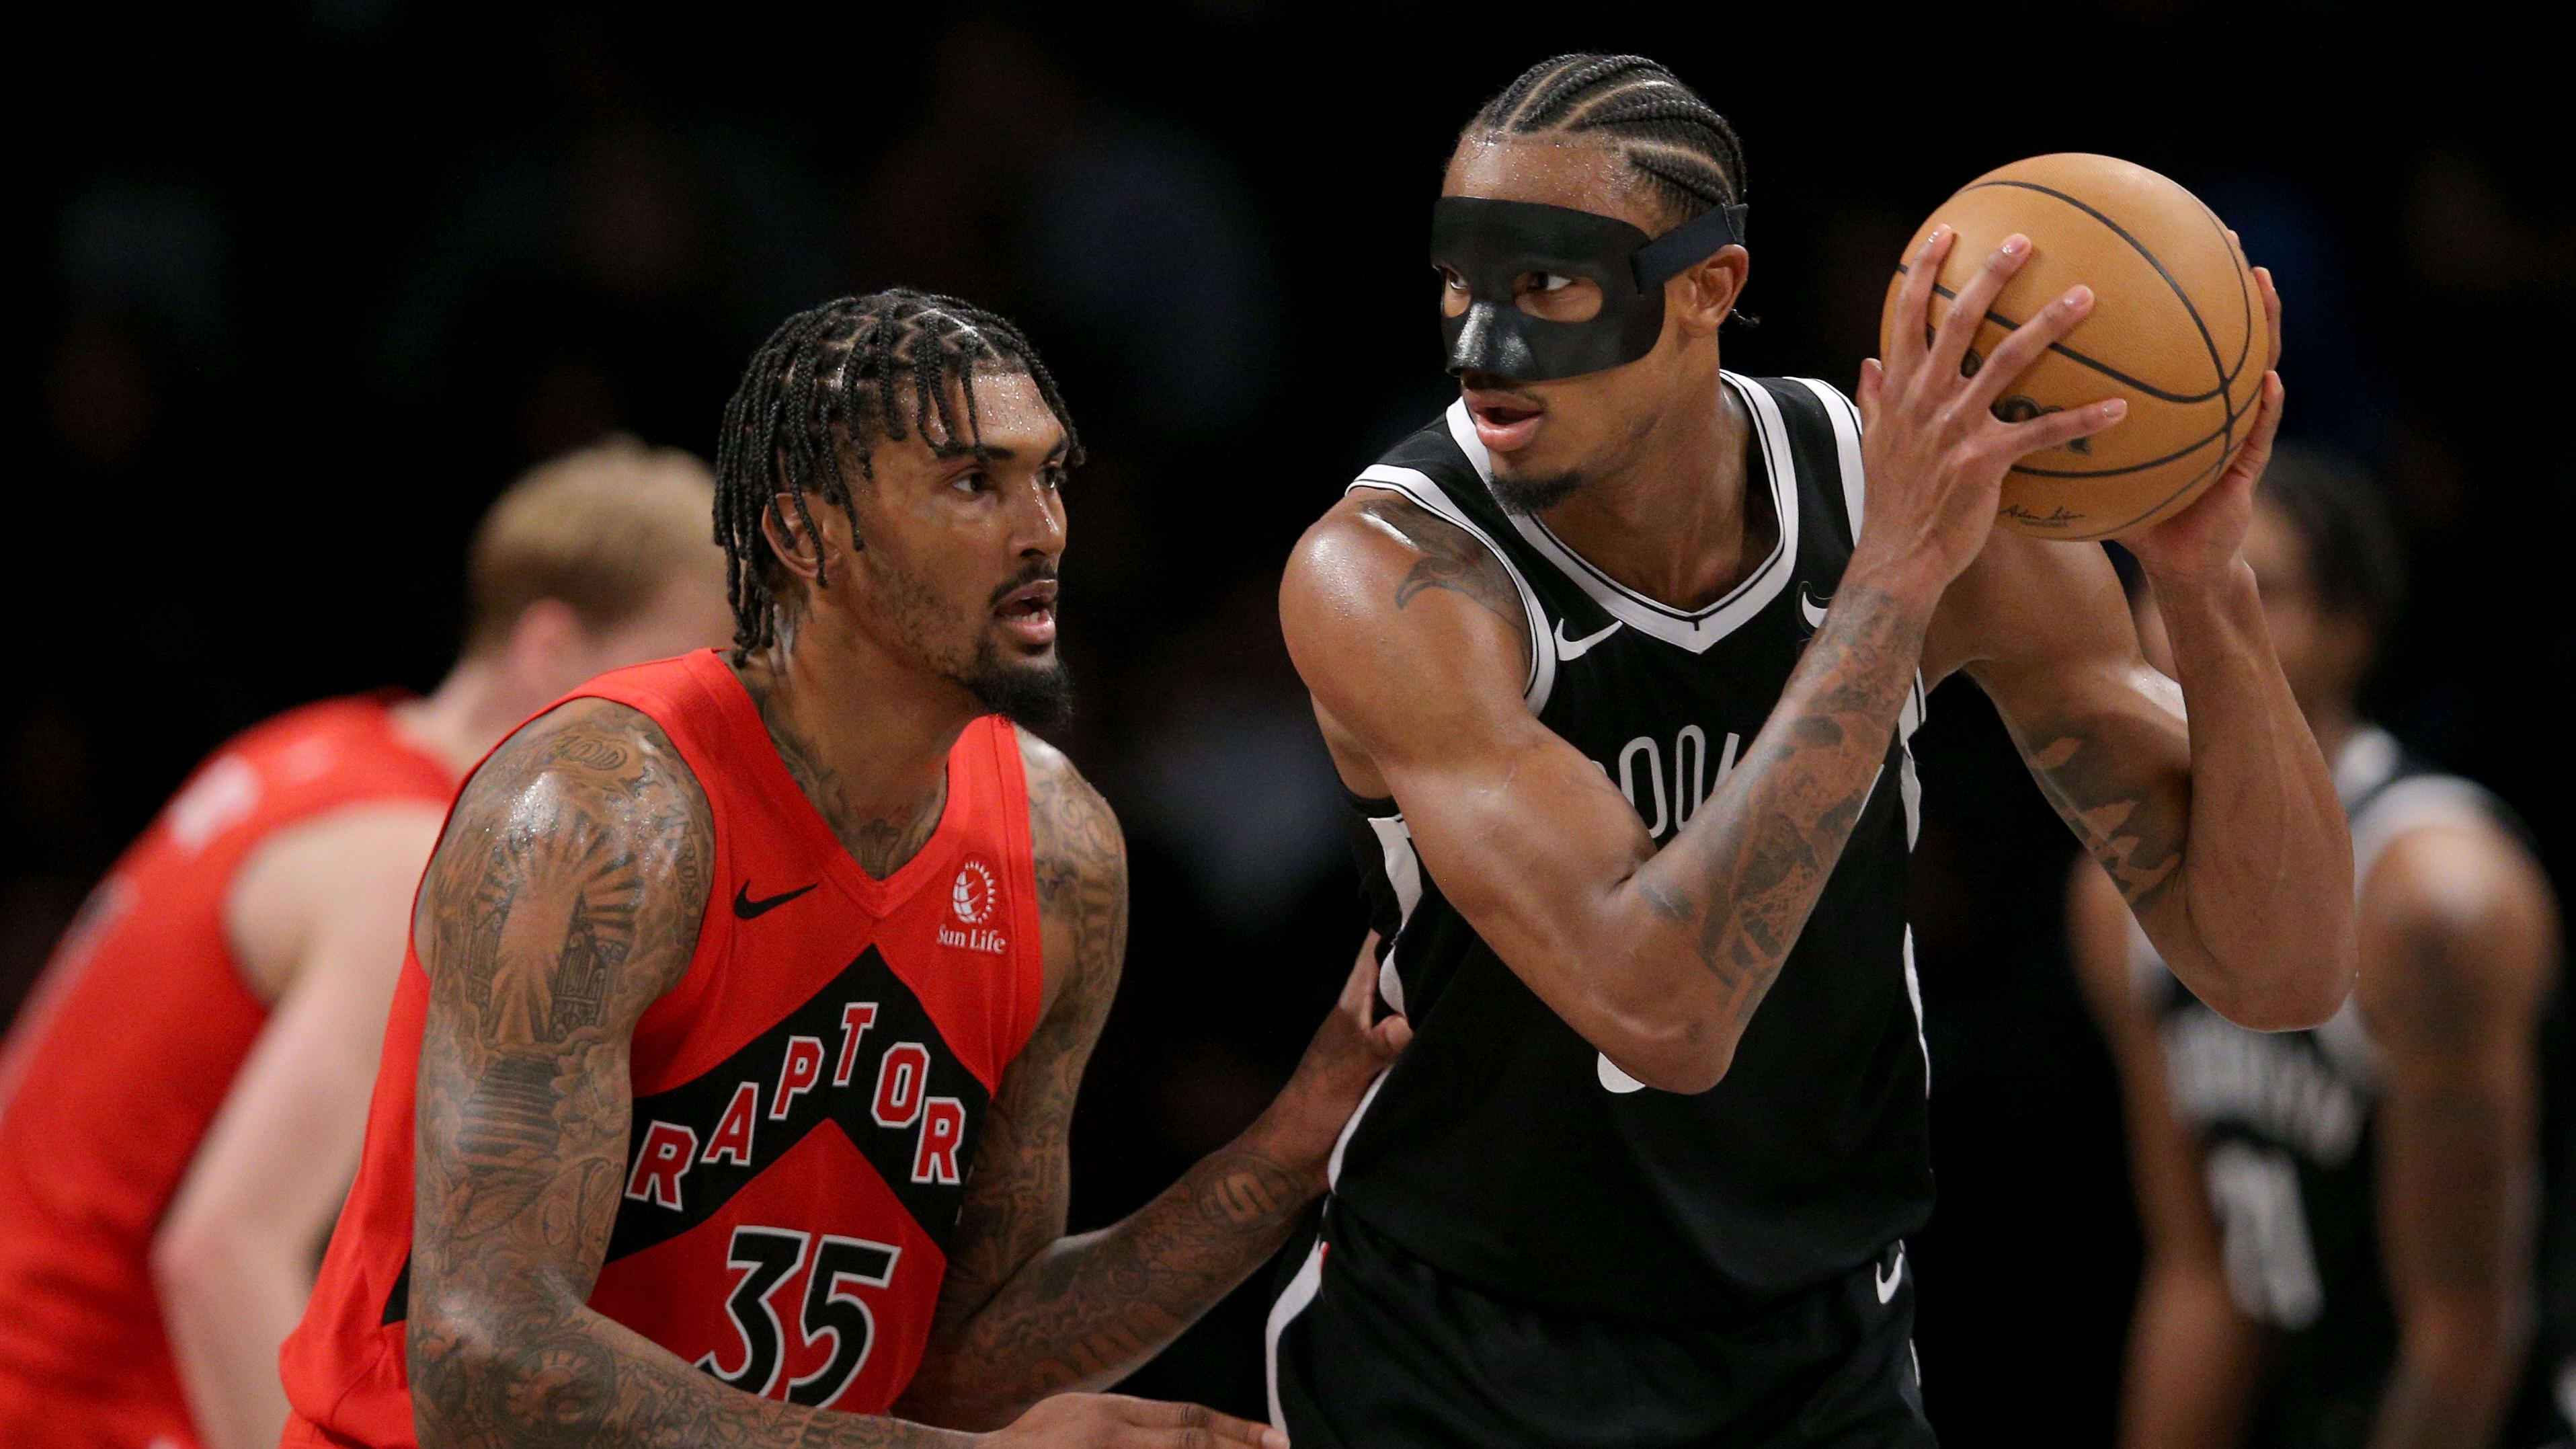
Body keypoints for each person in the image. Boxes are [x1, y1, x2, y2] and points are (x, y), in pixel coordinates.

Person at [1269, 52, 2357, 1448]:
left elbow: (2281, 969)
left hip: (1814, 1349)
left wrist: (2202, 584)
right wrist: (1891, 581)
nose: (1481, 343)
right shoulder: (1391, 576)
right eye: (1458, 283)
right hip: (1460, 1354)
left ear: (1707, 289)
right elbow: (1663, 1012)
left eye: (1546, 284)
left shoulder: (1905, 505)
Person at [280, 288, 1407, 1449]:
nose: (1045, 530)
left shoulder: (1059, 851)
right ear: (805, 535)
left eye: (1052, 477)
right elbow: (486, 1361)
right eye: (976, 482)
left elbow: (962, 1366)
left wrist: (1284, 1155)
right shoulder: (598, 816)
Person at [0, 436, 738, 1449]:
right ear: (550, 647)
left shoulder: (309, 746)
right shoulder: (408, 863)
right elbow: (222, 1254)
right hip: (76, 1409)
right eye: (681, 680)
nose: (699, 733)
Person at [2068, 448, 2569, 1449]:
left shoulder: (2434, 904)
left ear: (2354, 631)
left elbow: (2466, 1330)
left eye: (2255, 586)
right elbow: (2199, 1277)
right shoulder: (2110, 895)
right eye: (2164, 582)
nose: (2190, 620)